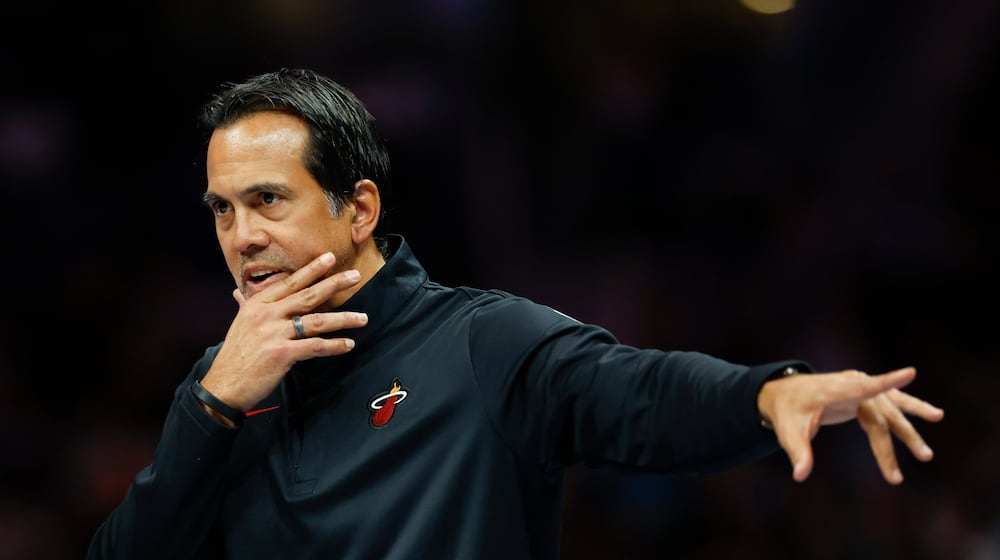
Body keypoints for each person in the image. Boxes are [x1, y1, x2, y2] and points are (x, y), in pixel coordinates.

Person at [86, 67, 944, 560]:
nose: (240, 236)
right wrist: (209, 411)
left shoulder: (476, 342)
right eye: (222, 209)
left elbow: (634, 393)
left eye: (267, 200)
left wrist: (766, 394)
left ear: (359, 208)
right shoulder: (220, 385)